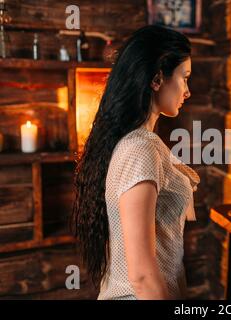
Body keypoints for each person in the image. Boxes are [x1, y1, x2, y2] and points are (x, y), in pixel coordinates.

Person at [71, 25, 200, 300]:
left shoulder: (135, 143)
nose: (187, 91)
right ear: (156, 79)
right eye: (184, 78)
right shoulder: (141, 148)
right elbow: (141, 276)